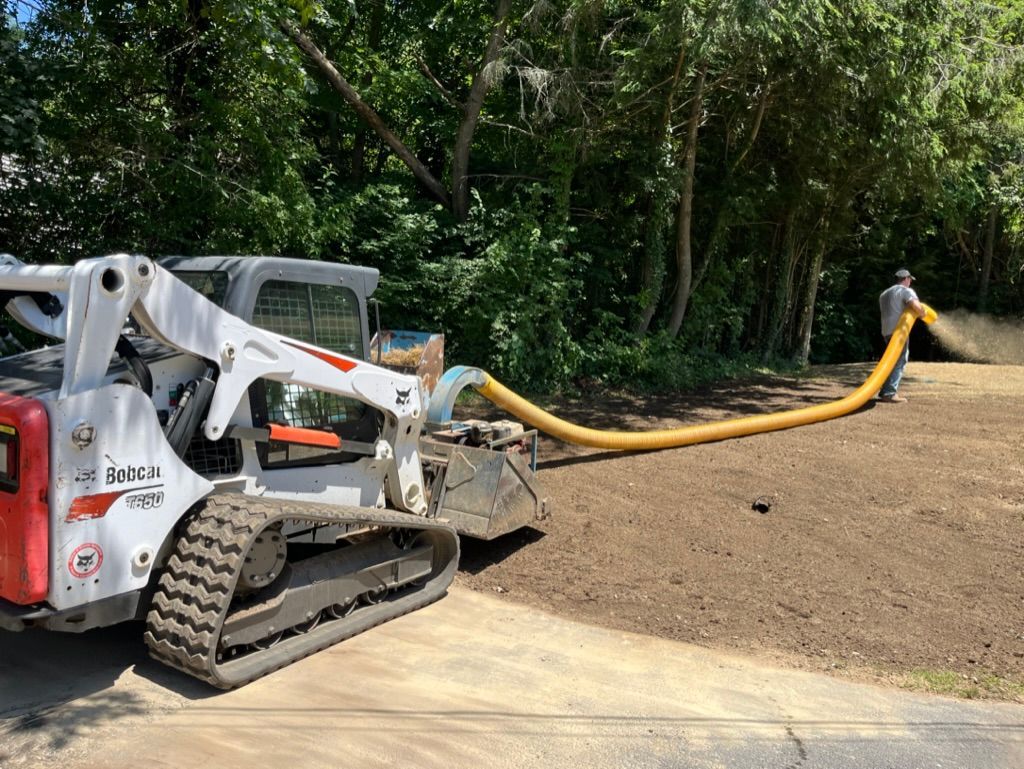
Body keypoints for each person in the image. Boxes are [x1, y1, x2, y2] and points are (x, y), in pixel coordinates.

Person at [877, 268, 926, 402]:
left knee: (889, 361)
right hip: (899, 332)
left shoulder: (884, 294)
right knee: (900, 360)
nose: (910, 282)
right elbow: (915, 306)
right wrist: (923, 313)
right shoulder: (906, 291)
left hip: (886, 331)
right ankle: (889, 393)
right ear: (906, 279)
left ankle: (884, 391)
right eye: (910, 280)